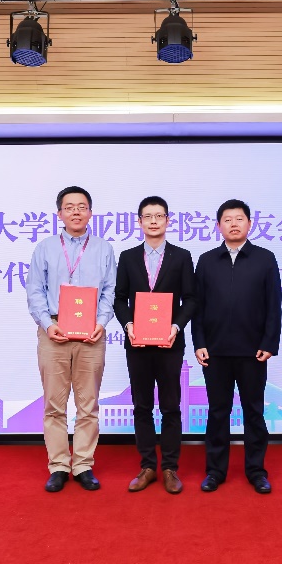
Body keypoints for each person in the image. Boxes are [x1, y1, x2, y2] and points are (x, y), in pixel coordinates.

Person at [26, 185, 116, 492]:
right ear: (59, 213)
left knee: (88, 404)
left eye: (82, 207)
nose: (76, 212)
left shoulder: (104, 248)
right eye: (69, 207)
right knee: (54, 404)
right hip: (54, 331)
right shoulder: (45, 248)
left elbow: (110, 290)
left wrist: (102, 322)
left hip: (91, 333)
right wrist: (45, 324)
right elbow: (35, 290)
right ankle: (59, 465)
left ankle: (83, 464)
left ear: (90, 212)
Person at [192, 199, 282, 494]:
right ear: (219, 226)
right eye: (227, 219)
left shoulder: (265, 259)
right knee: (218, 412)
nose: (233, 224)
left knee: (253, 412)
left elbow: (274, 306)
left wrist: (269, 343)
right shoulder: (206, 261)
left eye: (239, 218)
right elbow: (197, 306)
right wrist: (199, 343)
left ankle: (256, 471)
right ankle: (215, 471)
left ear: (249, 224)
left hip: (253, 352)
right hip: (215, 352)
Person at [114, 196, 196, 495]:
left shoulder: (182, 256)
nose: (153, 221)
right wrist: (129, 325)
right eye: (147, 216)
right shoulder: (127, 257)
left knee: (171, 407)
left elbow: (191, 299)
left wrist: (176, 326)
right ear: (139, 221)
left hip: (170, 344)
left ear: (167, 220)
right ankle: (147, 466)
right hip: (137, 344)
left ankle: (170, 468)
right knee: (142, 406)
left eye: (158, 216)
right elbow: (119, 298)